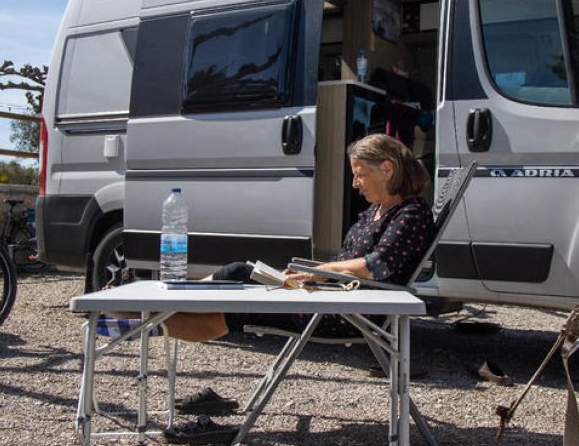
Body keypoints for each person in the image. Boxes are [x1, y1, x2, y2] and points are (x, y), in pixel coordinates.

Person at [162, 132, 435, 342]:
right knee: (242, 276)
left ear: (387, 169)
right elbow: (350, 263)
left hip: (350, 312)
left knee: (237, 290)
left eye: (360, 174)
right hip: (333, 297)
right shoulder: (375, 211)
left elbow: (375, 266)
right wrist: (307, 274)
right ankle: (150, 314)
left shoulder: (410, 213)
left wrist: (319, 272)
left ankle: (147, 317)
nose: (355, 184)